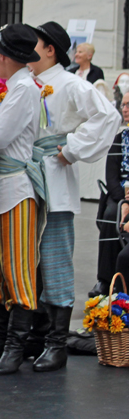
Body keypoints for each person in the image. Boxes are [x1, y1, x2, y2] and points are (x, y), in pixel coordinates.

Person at [26, 21, 120, 372]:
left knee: (55, 258)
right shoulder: (26, 82)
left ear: (50, 49)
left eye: (34, 43)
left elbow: (107, 116)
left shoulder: (70, 84)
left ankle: (56, 341)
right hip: (25, 177)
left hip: (54, 175)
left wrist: (72, 149)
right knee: (26, 258)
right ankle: (32, 336)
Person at [0, 23, 43, 376]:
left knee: (17, 270)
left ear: (3, 56)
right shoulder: (16, 88)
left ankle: (15, 345)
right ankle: (0, 339)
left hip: (15, 189)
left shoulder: (24, 90)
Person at [91, 90, 129, 297]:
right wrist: (122, 200)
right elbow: (111, 176)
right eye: (123, 105)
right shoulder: (119, 139)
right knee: (109, 216)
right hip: (120, 194)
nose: (124, 109)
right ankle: (105, 280)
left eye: (128, 105)